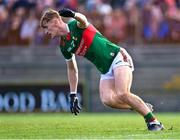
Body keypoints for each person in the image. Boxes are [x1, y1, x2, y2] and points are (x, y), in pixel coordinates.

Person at [40, 8, 164, 131]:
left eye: (46, 27)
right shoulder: (63, 46)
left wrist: (74, 14)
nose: (45, 31)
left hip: (116, 56)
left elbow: (83, 20)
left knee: (122, 93)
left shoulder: (74, 25)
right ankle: (140, 106)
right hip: (105, 69)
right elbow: (72, 69)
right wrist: (73, 94)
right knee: (107, 100)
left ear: (55, 21)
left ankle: (153, 122)